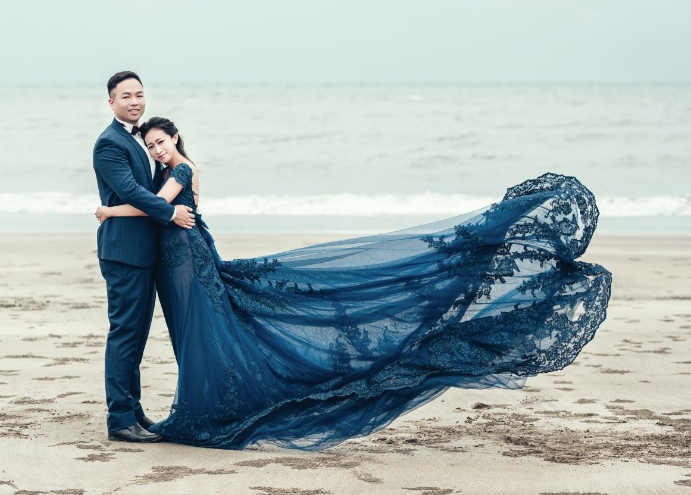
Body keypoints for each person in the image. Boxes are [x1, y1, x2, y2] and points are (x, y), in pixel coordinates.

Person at [96, 117, 612, 451]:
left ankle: (210, 408)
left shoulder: (182, 168)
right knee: (201, 333)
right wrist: (129, 205)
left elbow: (159, 204)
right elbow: (159, 206)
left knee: (204, 332)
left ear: (176, 139)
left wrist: (106, 208)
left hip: (187, 258)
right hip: (179, 256)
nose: (158, 149)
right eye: (152, 146)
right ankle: (194, 404)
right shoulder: (167, 165)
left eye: (161, 142)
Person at [92, 73, 196, 444]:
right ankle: (119, 418)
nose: (134, 101)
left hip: (144, 251)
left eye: (139, 94)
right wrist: (169, 214)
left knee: (135, 336)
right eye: (126, 96)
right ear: (112, 102)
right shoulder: (109, 144)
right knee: (124, 333)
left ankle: (132, 410)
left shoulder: (138, 138)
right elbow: (132, 192)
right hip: (124, 253)